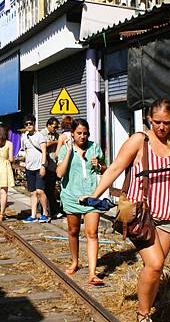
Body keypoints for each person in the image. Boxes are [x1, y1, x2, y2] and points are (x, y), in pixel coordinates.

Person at [81, 98, 170, 322]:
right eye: (157, 121)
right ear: (149, 119)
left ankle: (146, 304)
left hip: (168, 215)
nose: (161, 127)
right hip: (141, 214)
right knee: (156, 263)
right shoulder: (139, 140)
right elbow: (116, 167)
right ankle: (143, 315)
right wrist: (94, 195)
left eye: (166, 123)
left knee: (155, 268)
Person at [56, 119, 107, 285]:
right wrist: (69, 153)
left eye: (85, 133)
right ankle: (75, 261)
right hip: (71, 195)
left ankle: (92, 273)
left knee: (92, 233)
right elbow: (59, 173)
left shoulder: (94, 147)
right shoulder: (66, 149)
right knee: (73, 231)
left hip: (92, 196)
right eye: (79, 133)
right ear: (72, 133)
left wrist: (99, 165)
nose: (82, 136)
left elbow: (106, 169)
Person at [20, 114, 50, 223]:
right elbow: (25, 151)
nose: (28, 125)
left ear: (34, 123)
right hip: (29, 167)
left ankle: (45, 213)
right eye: (26, 124)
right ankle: (33, 215)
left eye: (30, 123)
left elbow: (44, 151)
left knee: (40, 191)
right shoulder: (24, 137)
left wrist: (43, 166)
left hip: (39, 167)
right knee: (33, 192)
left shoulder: (40, 136)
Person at [40, 117, 62, 218]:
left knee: (51, 189)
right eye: (54, 127)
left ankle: (51, 211)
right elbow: (46, 144)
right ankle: (45, 211)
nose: (55, 129)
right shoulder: (42, 134)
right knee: (44, 189)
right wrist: (57, 142)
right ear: (48, 125)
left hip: (53, 166)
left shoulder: (57, 135)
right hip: (45, 165)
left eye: (57, 127)